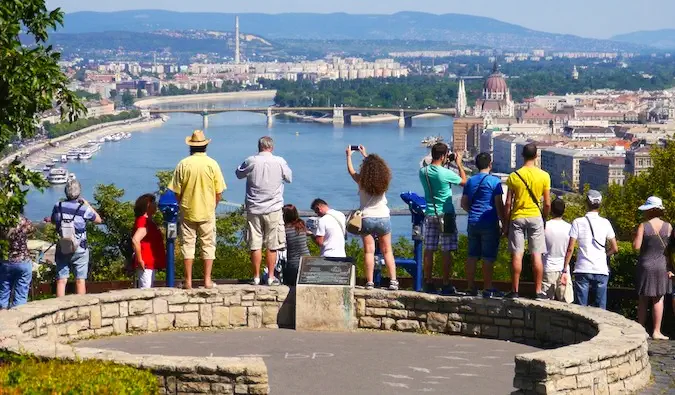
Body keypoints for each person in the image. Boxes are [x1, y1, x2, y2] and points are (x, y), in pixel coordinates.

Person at [168, 130, 226, 289]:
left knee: (188, 246)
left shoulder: (183, 164)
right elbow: (219, 191)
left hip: (187, 211)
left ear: (191, 147)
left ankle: (188, 281)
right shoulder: (212, 164)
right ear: (205, 145)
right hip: (207, 211)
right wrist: (213, 205)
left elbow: (176, 191)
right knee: (208, 245)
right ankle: (207, 280)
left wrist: (182, 204)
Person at [236, 136, 292, 286]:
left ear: (259, 147)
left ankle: (255, 276)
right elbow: (289, 178)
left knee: (255, 243)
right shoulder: (280, 161)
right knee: (272, 244)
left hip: (254, 208)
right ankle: (271, 277)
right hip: (273, 208)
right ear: (272, 147)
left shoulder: (251, 161)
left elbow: (238, 173)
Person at [347, 145, 398, 291]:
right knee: (387, 250)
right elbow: (374, 167)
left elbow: (351, 171)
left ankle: (369, 282)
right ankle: (393, 280)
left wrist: (349, 156)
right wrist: (365, 155)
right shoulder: (383, 182)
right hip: (383, 217)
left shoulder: (362, 181)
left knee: (369, 251)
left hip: (367, 218)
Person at [504, 143, 551, 299]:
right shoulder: (544, 176)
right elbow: (548, 203)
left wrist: (505, 222)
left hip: (517, 216)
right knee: (536, 254)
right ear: (536, 156)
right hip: (535, 216)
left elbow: (508, 203)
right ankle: (538, 291)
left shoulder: (514, 176)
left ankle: (515, 290)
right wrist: (544, 218)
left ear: (522, 156)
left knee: (517, 254)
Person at [419, 143, 466, 295]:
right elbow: (464, 181)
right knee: (446, 250)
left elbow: (433, 168)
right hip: (446, 214)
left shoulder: (423, 172)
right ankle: (446, 283)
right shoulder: (445, 173)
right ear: (444, 155)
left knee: (429, 249)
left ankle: (428, 281)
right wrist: (458, 164)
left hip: (430, 214)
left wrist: (445, 162)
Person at [563, 190, 618, 310]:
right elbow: (615, 248)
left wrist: (565, 268)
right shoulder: (605, 222)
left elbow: (570, 248)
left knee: (581, 309)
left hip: (582, 268)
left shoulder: (578, 222)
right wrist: (605, 254)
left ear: (586, 203)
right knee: (601, 309)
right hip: (601, 269)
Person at [460, 152, 504, 297]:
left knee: (472, 255)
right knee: (488, 257)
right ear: (490, 165)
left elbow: (463, 203)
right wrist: (504, 223)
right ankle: (487, 287)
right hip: (489, 221)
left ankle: (470, 286)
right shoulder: (495, 182)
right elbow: (499, 204)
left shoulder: (470, 181)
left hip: (473, 221)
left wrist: (473, 211)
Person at [52, 179, 103, 297]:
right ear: (79, 192)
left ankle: (60, 308)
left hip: (63, 246)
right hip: (80, 248)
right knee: (80, 280)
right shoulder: (83, 209)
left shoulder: (58, 206)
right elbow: (98, 220)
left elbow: (54, 221)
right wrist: (87, 204)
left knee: (61, 279)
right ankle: (81, 308)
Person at [632, 196, 671, 340]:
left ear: (649, 210)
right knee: (658, 298)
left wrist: (634, 237)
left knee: (643, 298)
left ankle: (641, 329)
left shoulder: (643, 226)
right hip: (661, 265)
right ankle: (657, 331)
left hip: (645, 264)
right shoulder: (668, 227)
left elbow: (636, 246)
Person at [131, 194, 166, 289]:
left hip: (150, 262)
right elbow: (135, 240)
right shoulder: (143, 221)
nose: (156, 205)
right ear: (148, 205)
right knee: (146, 289)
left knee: (149, 287)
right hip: (145, 262)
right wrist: (140, 260)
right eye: (154, 203)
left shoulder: (149, 222)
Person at [0, 212, 35, 308]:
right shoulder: (23, 221)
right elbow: (32, 229)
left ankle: (2, 316)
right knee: (21, 294)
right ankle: (18, 315)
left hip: (7, 261)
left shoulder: (3, 221)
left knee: (3, 293)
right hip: (23, 260)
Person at [543, 198, 571, 300]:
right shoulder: (569, 227)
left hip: (547, 266)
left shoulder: (545, 226)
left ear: (551, 210)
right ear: (564, 210)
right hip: (563, 268)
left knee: (545, 304)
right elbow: (570, 249)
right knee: (565, 303)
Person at [282, 204, 310, 286]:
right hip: (307, 259)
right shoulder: (301, 225)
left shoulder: (285, 229)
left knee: (291, 285)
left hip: (293, 262)